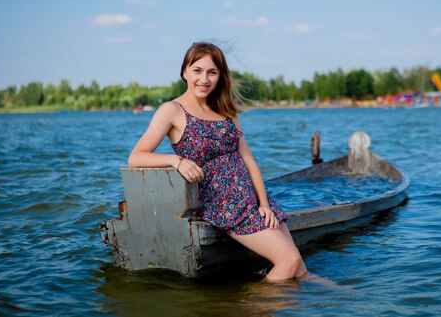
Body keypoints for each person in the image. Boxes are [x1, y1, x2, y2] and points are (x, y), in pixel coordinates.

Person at [128, 41, 308, 281]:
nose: (204, 79)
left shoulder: (225, 109)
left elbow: (249, 161)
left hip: (252, 200)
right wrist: (176, 161)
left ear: (220, 76)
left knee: (300, 267)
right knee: (289, 260)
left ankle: (334, 295)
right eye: (197, 71)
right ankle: (248, 307)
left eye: (212, 72)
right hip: (223, 204)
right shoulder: (172, 110)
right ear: (184, 72)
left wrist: (263, 203)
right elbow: (136, 157)